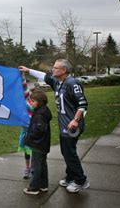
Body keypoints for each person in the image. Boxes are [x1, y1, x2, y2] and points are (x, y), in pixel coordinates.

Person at [19, 59, 89, 193]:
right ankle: (71, 176)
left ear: (64, 70)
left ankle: (81, 180)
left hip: (71, 126)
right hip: (64, 125)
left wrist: (75, 120)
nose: (53, 70)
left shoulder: (72, 83)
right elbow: (44, 76)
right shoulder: (58, 82)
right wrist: (28, 71)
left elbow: (82, 104)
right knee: (67, 152)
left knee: (70, 153)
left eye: (56, 68)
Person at [22, 90, 52, 195]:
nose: (31, 103)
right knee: (42, 165)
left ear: (39, 102)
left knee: (36, 166)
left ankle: (34, 188)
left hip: (37, 144)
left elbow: (39, 129)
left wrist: (30, 137)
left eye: (32, 101)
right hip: (42, 144)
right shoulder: (43, 111)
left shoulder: (39, 114)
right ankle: (43, 185)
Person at [18, 78, 34, 179]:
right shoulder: (24, 102)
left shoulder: (36, 106)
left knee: (34, 152)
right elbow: (24, 88)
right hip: (25, 132)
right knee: (27, 152)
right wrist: (21, 77)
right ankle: (27, 168)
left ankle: (33, 168)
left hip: (34, 133)